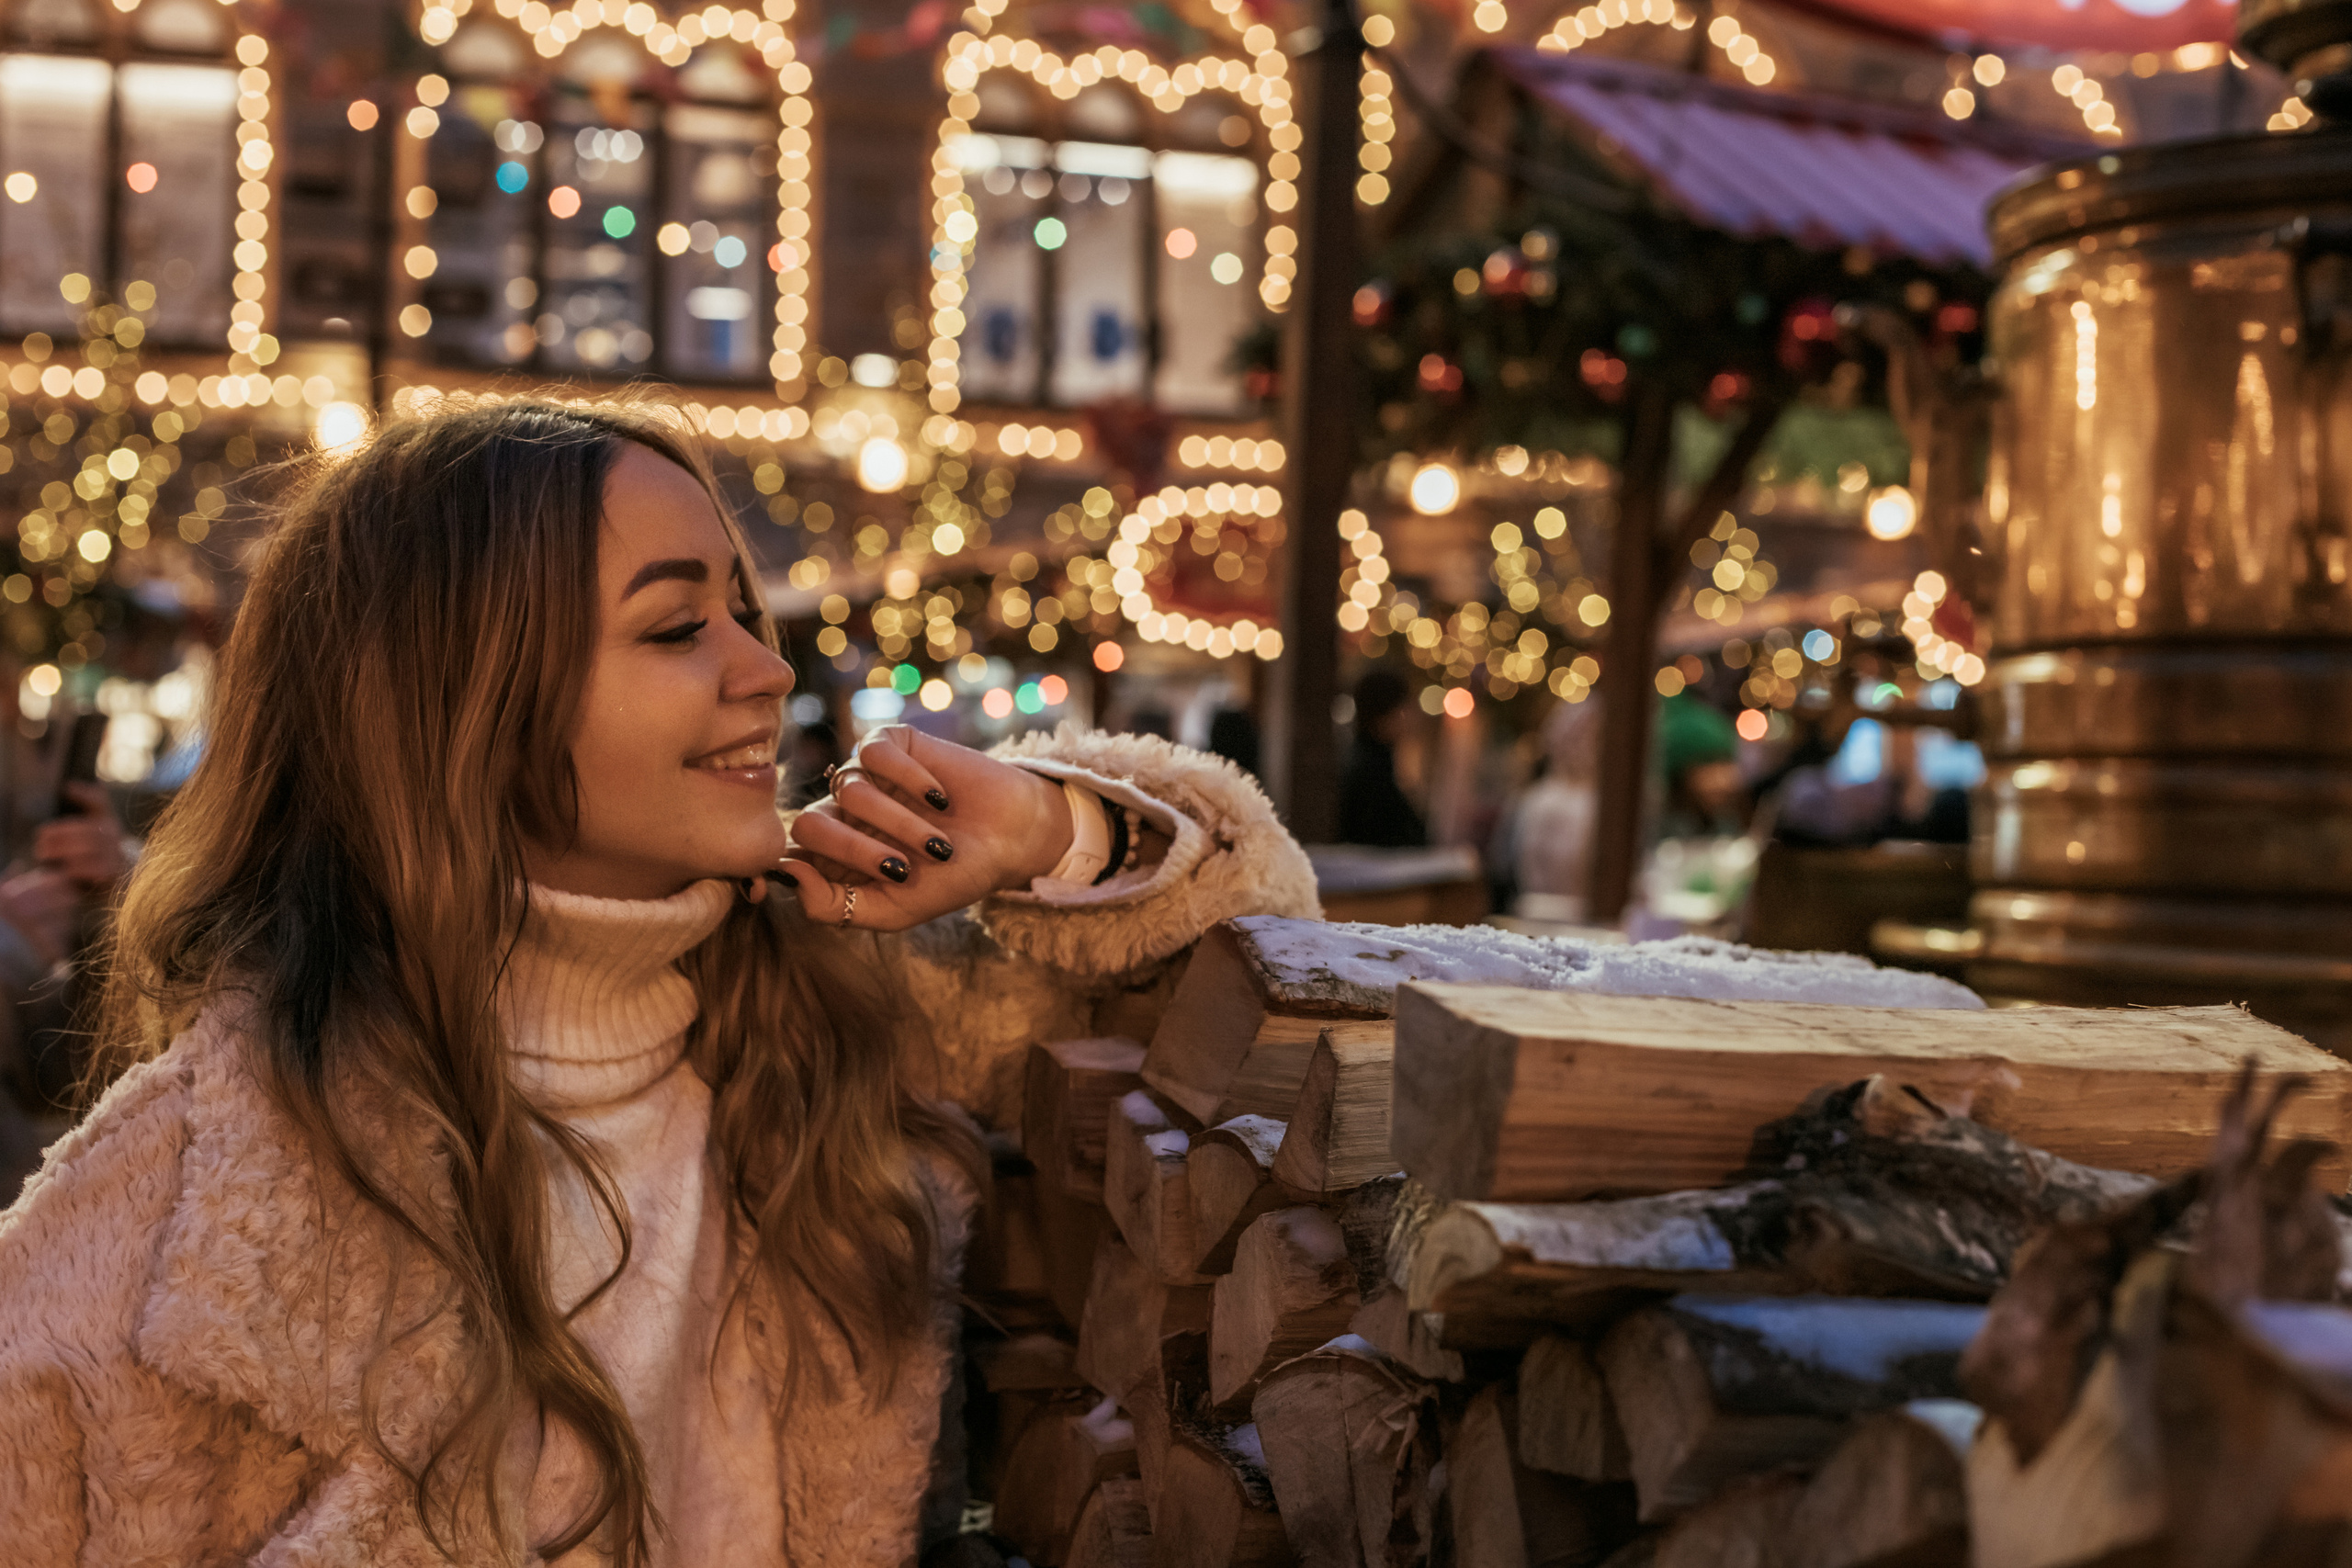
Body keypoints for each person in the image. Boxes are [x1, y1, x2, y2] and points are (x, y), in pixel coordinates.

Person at [0, 399, 1317, 1565]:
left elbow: (1276, 959)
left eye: (744, 612)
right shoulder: (171, 1208)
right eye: (681, 625)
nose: (768, 670)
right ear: (457, 704)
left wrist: (1048, 825)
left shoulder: (845, 1000)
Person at [1338, 667, 1426, 847]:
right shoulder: (1371, 772)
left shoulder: (1371, 761)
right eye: (1403, 709)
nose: (1409, 717)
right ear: (1384, 716)